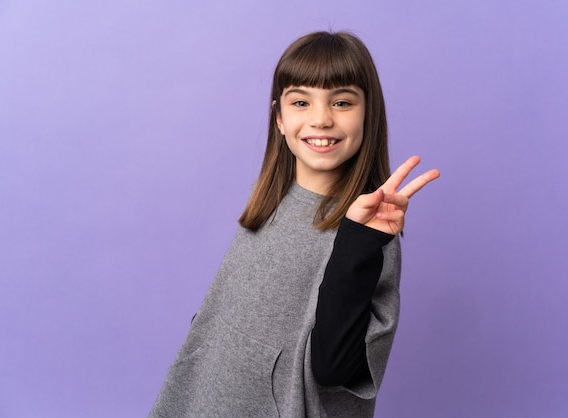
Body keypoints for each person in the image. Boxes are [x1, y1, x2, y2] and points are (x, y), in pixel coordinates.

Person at [149, 31, 440, 417]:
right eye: (301, 102)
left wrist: (358, 241)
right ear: (280, 119)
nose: (321, 119)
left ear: (368, 114)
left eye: (342, 102)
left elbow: (334, 368)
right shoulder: (268, 198)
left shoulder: (370, 234)